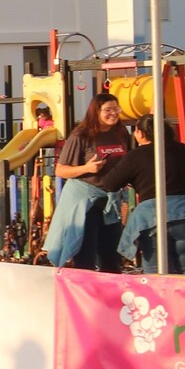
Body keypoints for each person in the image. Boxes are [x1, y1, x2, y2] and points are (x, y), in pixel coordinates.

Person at [96, 116, 185, 275]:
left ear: (141, 133)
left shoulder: (134, 156)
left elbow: (109, 184)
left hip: (151, 219)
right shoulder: (181, 149)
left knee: (157, 275)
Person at [46, 94, 134, 271]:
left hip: (110, 202)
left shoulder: (121, 132)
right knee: (86, 253)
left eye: (116, 109)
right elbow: (60, 170)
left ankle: (110, 295)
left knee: (112, 255)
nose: (114, 113)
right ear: (96, 111)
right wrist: (86, 168)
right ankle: (83, 294)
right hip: (86, 202)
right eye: (108, 110)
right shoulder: (81, 135)